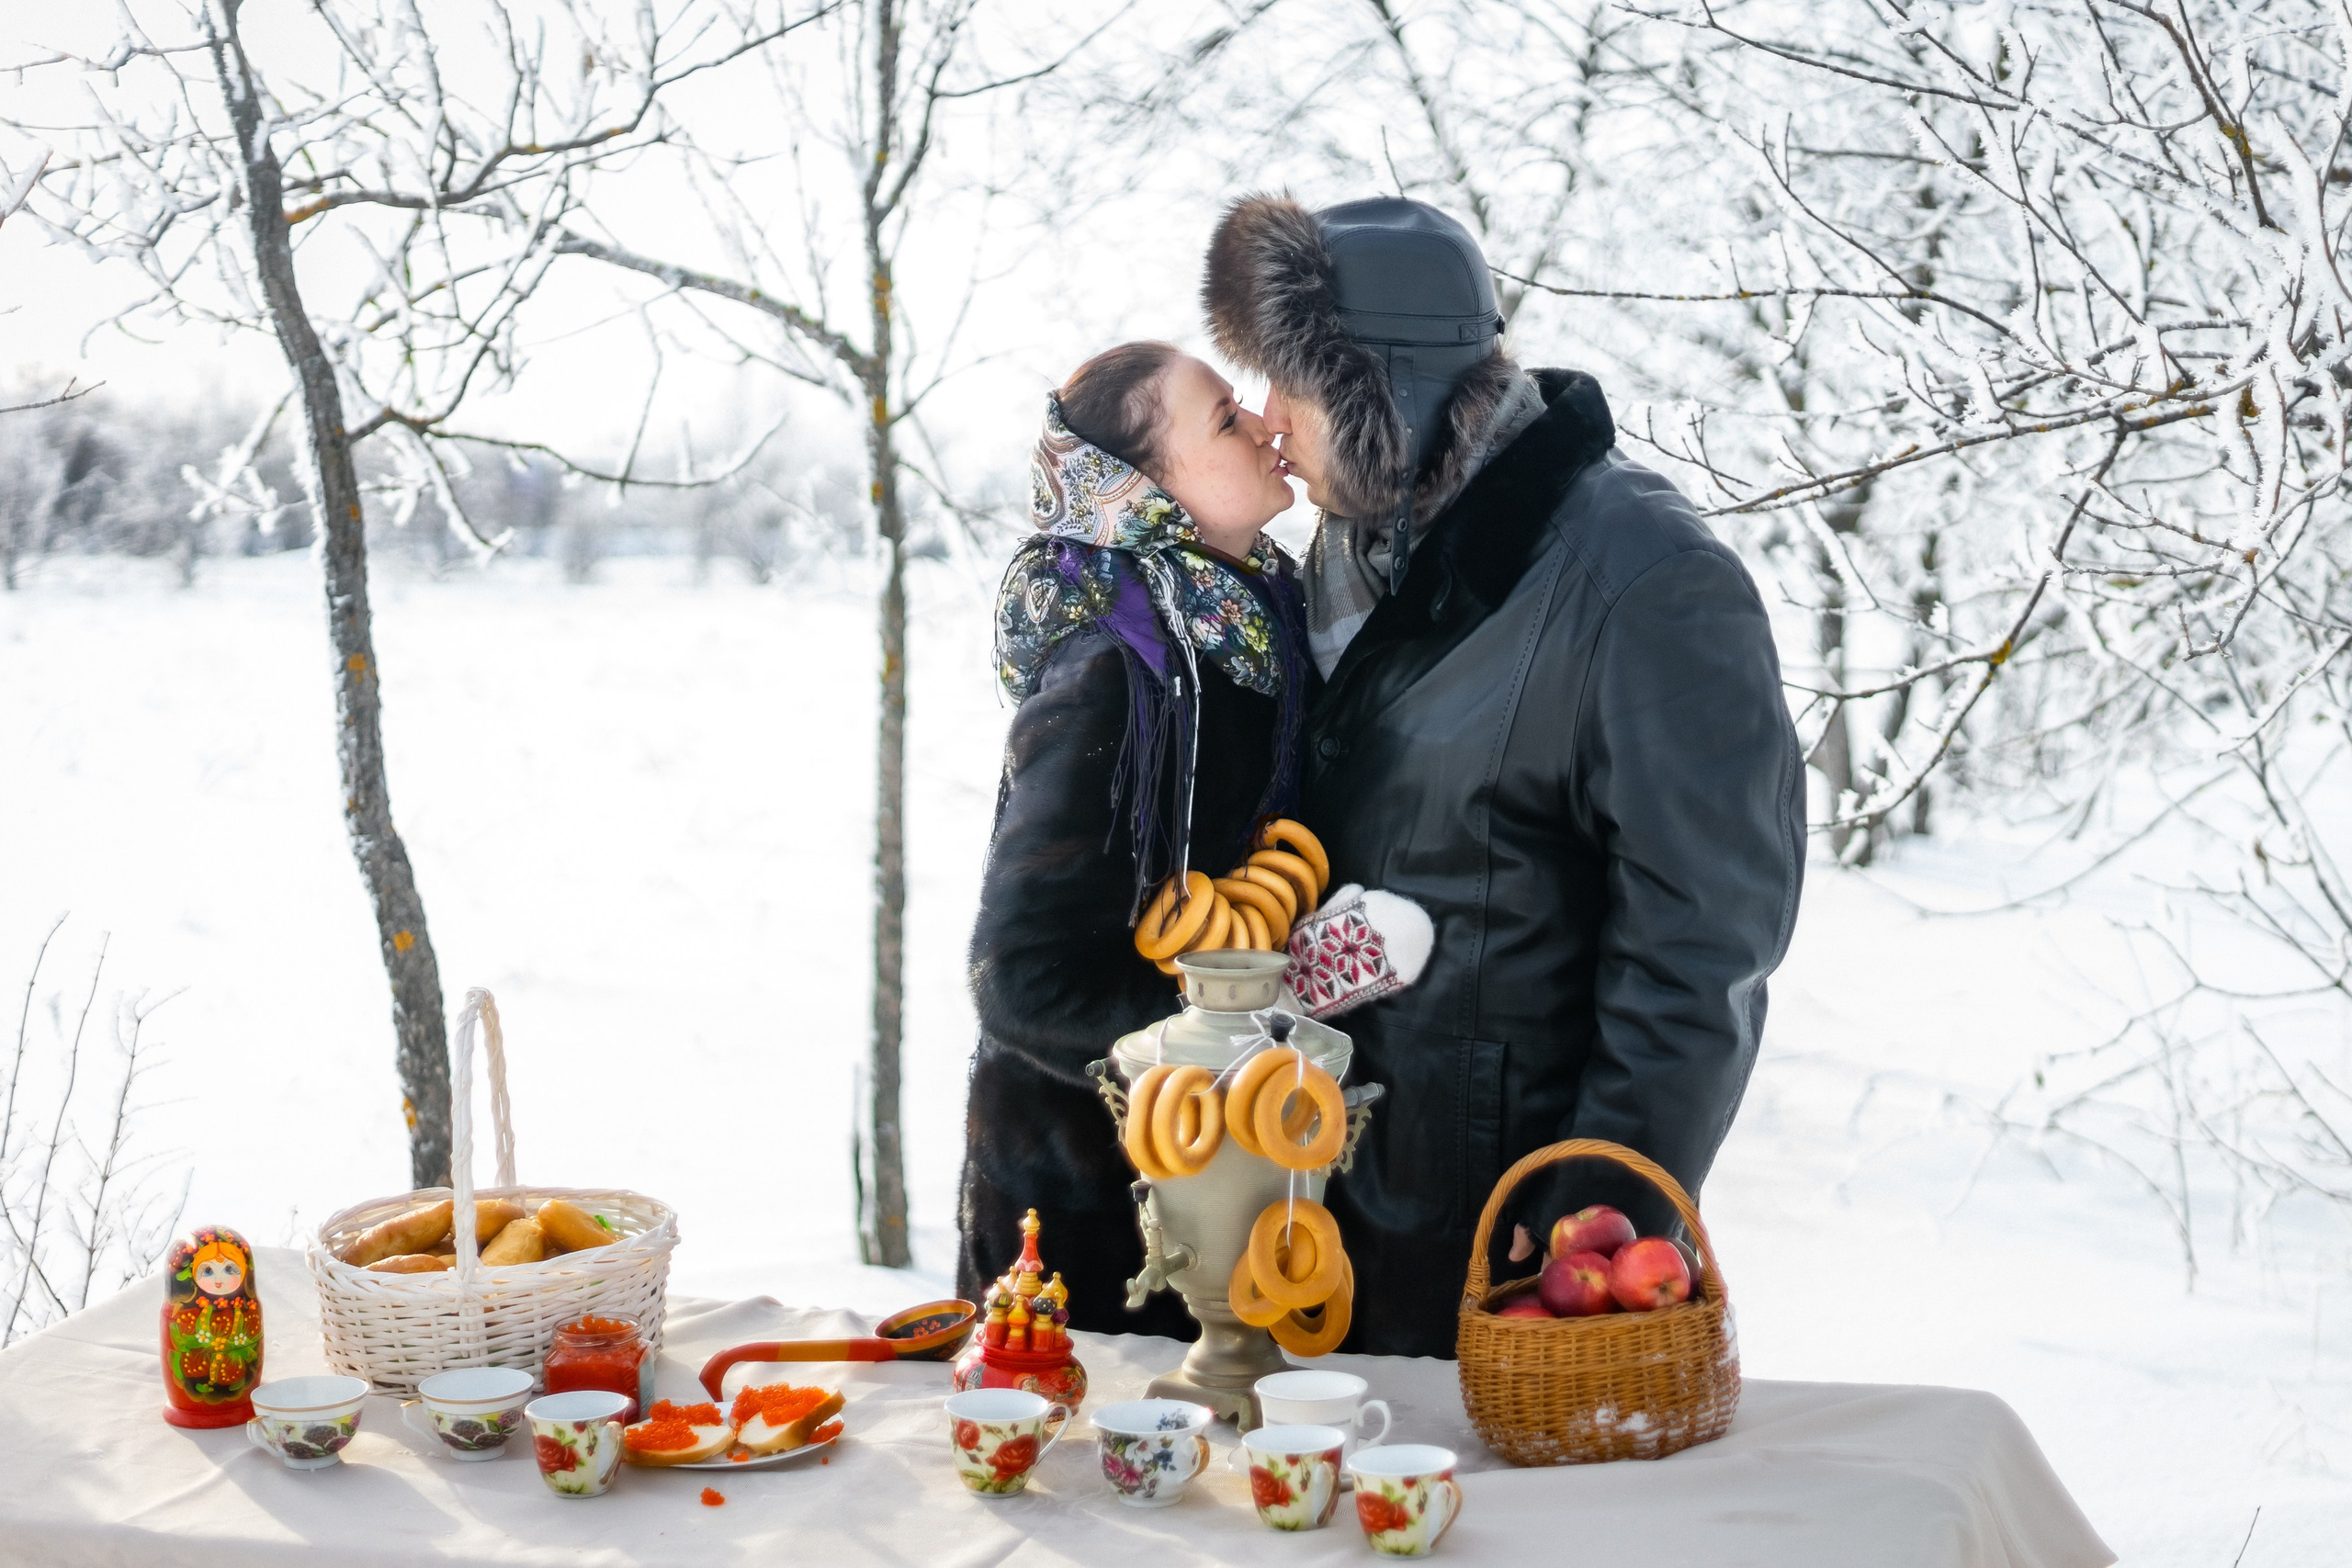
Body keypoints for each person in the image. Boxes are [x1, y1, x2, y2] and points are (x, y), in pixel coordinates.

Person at [1204, 195, 1807, 1357]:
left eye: (1293, 382)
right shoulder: (1356, 544)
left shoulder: (1643, 581)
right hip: (1316, 1200)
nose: (1267, 417)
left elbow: (1703, 947)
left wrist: (1595, 1209)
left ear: (1387, 391)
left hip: (1503, 1227)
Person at [956, 341, 1312, 1336]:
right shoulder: (1116, 673)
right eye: (1225, 420)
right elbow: (1022, 978)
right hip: (1089, 1231)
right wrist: (1244, 1032)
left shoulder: (1258, 630)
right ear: (1145, 487)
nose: (1264, 426)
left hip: (1230, 1189)